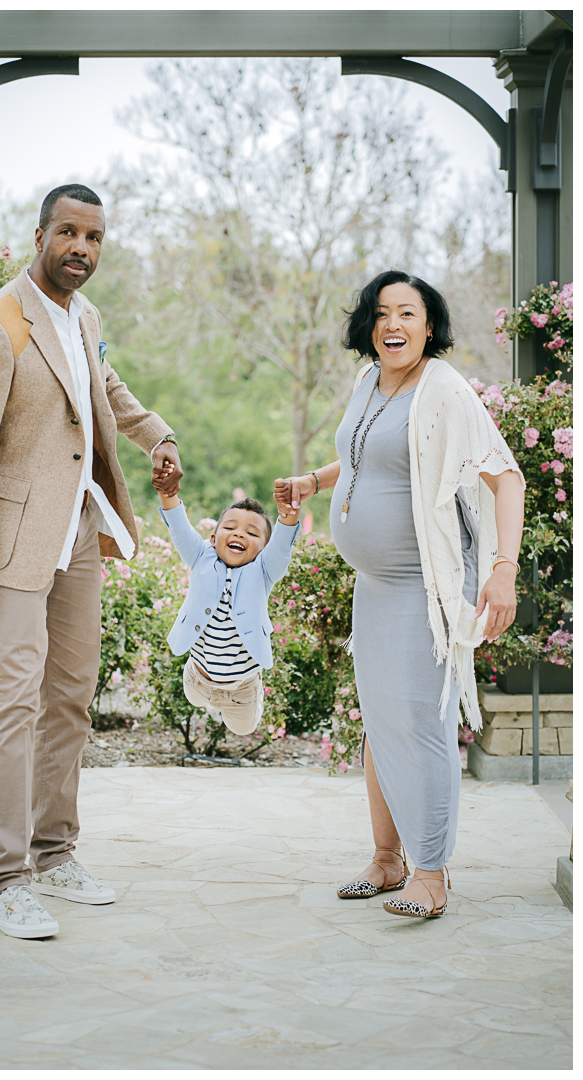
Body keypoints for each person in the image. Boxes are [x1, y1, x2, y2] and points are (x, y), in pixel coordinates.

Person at [0, 184, 182, 939]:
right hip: (13, 547)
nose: (82, 248)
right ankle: (4, 878)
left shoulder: (85, 317)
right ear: (40, 233)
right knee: (16, 700)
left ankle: (54, 852)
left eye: (95, 237)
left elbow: (104, 389)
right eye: (69, 233)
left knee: (71, 694)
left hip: (80, 532)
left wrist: (158, 438)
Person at [274, 270, 525, 919]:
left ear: (430, 325)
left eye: (408, 314)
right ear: (369, 324)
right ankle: (387, 860)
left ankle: (432, 874)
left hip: (425, 584)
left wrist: (503, 568)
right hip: (375, 584)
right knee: (379, 721)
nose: (393, 325)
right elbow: (364, 456)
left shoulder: (444, 391)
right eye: (383, 313)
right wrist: (314, 480)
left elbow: (508, 477)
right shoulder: (369, 382)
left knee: (423, 724)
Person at [158, 482, 300, 736]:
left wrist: (288, 514)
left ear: (264, 549)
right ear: (213, 539)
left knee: (242, 729)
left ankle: (255, 697)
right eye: (230, 527)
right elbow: (179, 530)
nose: (240, 534)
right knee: (195, 700)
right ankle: (201, 685)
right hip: (198, 676)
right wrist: (168, 493)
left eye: (253, 533)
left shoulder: (264, 570)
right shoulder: (201, 556)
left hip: (241, 687)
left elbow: (281, 548)